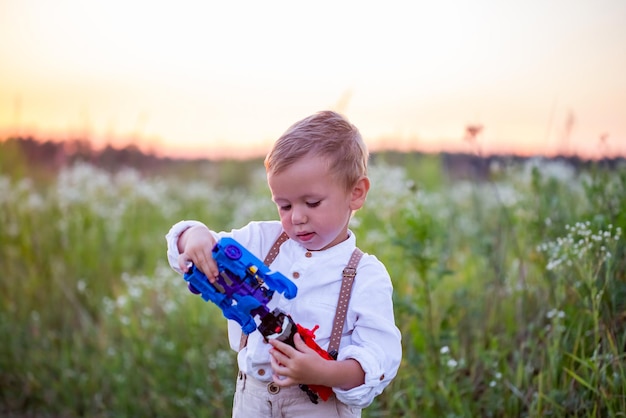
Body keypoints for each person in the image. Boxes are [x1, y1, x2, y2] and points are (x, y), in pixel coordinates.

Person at [165, 110, 402, 418]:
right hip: (252, 399)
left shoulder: (365, 275)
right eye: (284, 205)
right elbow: (205, 245)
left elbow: (378, 358)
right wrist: (194, 237)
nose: (297, 217)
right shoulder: (262, 240)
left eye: (312, 203)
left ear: (356, 193)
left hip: (319, 406)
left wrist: (325, 373)